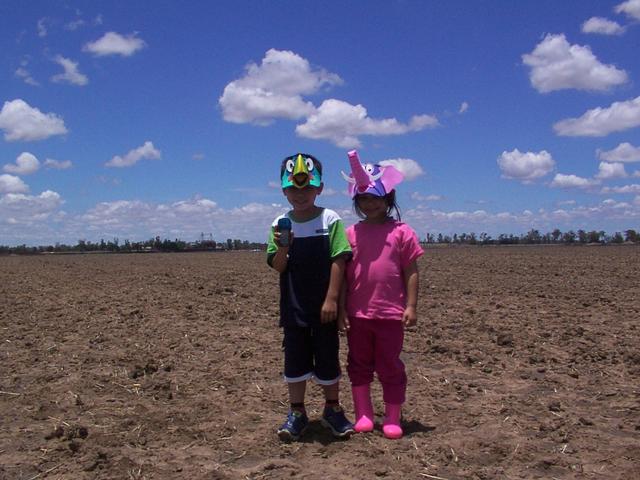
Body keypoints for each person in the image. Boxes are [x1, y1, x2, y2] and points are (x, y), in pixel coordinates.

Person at [267, 152, 355, 442]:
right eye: (293, 188)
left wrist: (331, 300)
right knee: (294, 362)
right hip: (293, 308)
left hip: (324, 309)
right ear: (283, 191)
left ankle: (332, 409)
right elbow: (278, 266)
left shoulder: (330, 219)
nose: (300, 194)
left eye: (307, 188)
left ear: (319, 188)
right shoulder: (279, 222)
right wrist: (283, 247)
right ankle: (297, 412)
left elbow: (339, 260)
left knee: (328, 358)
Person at [339, 150, 424, 440]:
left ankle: (391, 417)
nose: (369, 203)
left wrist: (411, 306)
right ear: (357, 202)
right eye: (363, 198)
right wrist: (340, 310)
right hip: (358, 315)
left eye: (375, 197)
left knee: (390, 365)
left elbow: (411, 271)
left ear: (388, 199)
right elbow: (343, 278)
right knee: (358, 364)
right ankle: (363, 414)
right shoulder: (349, 234)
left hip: (390, 314)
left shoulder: (402, 233)